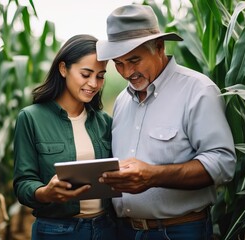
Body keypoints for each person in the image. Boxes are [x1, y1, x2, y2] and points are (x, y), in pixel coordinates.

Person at [96, 4, 237, 240]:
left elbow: (222, 163)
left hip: (178, 231)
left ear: (159, 47)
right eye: (118, 64)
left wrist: (154, 176)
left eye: (134, 60)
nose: (126, 72)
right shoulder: (121, 101)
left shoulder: (197, 90)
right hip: (126, 231)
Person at [13, 34, 117, 240]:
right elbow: (23, 182)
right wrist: (45, 193)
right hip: (56, 231)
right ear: (63, 69)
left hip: (106, 229)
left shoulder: (105, 122)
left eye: (100, 75)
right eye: (86, 74)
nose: (94, 84)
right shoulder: (31, 118)